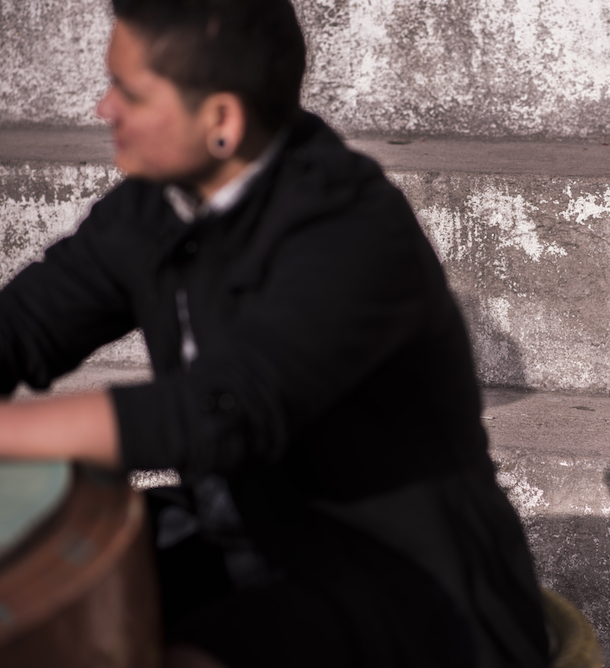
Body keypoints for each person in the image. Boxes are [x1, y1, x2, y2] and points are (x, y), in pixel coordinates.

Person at [0, 0, 550, 666]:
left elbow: (221, 410)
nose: (103, 108)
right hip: (248, 535)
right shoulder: (159, 204)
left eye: (130, 93)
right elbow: (26, 323)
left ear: (222, 121)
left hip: (411, 589)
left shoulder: (352, 230)